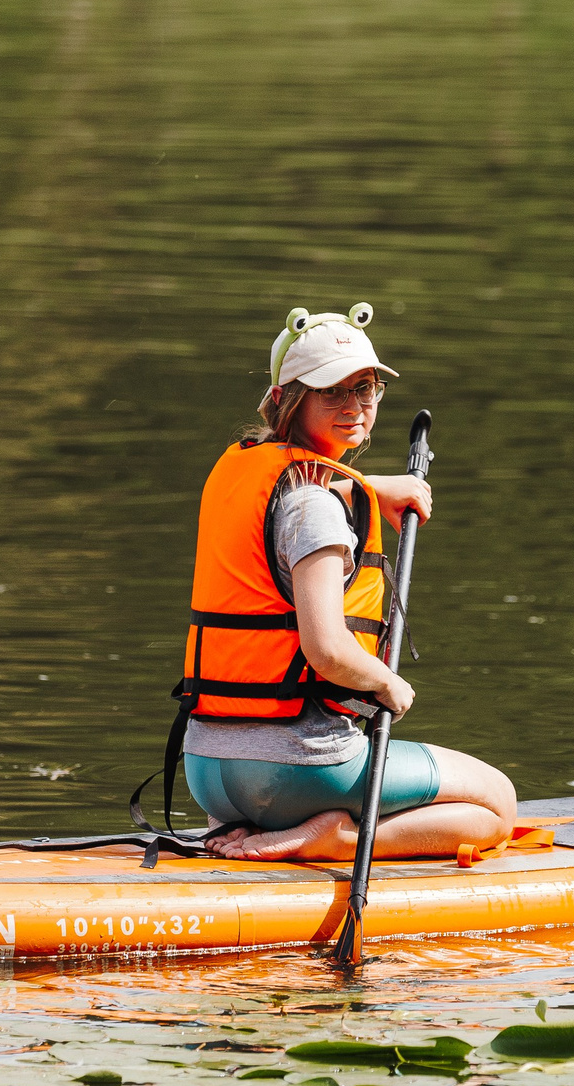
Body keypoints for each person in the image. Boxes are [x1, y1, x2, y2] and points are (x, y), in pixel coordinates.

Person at [172, 304, 516, 862]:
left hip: (210, 776)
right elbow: (327, 650)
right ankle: (336, 838)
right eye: (332, 392)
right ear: (289, 400)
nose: (355, 407)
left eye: (367, 389)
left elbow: (301, 495)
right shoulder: (317, 507)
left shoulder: (247, 469)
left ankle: (276, 829)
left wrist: (366, 488)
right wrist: (386, 684)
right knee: (497, 803)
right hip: (296, 772)